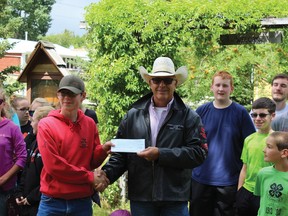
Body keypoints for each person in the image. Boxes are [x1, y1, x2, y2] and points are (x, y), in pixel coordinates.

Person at [99, 57, 208, 216]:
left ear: (175, 83)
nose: (162, 85)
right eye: (156, 80)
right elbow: (121, 154)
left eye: (167, 80)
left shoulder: (189, 117)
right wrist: (106, 175)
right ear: (149, 83)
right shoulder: (132, 116)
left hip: (174, 198)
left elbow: (199, 153)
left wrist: (160, 154)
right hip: (142, 197)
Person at [37, 75, 112, 216]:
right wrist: (90, 177)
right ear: (58, 95)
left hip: (81, 202)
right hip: (52, 202)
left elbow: (91, 161)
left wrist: (102, 150)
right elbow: (54, 166)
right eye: (63, 94)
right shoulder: (46, 125)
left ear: (83, 96)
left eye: (71, 94)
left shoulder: (89, 124)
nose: (66, 98)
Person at [190, 71, 256, 216]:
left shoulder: (240, 113)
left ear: (231, 89)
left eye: (225, 86)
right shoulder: (201, 111)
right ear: (211, 87)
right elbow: (190, 141)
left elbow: (251, 144)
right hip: (201, 178)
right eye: (218, 85)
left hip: (229, 180)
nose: (221, 89)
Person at [235, 97, 275, 216]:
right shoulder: (248, 139)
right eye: (254, 115)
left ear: (272, 116)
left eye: (262, 115)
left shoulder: (277, 139)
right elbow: (245, 167)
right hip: (246, 192)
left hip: (266, 193)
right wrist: (239, 191)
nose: (257, 119)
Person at [15, 106, 54, 216]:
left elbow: (50, 178)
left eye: (33, 121)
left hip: (40, 203)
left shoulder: (51, 146)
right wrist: (19, 192)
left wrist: (32, 198)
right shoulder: (34, 143)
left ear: (42, 122)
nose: (31, 124)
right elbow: (25, 170)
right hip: (26, 203)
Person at [0, 88, 27, 216]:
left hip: (5, 189)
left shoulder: (11, 128)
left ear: (3, 104)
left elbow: (22, 157)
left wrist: (4, 178)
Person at [254, 131, 288, 216]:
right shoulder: (263, 173)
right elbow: (261, 199)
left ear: (284, 153)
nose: (264, 150)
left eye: (269, 147)